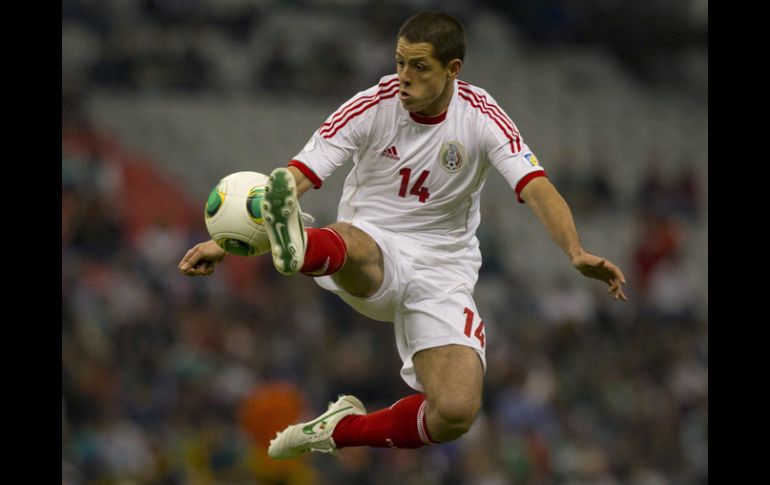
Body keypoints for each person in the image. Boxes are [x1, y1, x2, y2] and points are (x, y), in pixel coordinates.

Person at [178, 11, 627, 460]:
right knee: (356, 241)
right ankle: (299, 246)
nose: (404, 76)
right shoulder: (373, 106)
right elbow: (295, 178)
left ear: (453, 69)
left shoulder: (481, 116)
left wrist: (576, 251)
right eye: (399, 62)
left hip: (443, 271)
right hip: (368, 247)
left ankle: (339, 429)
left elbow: (536, 188)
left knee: (456, 411)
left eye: (419, 66)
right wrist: (228, 240)